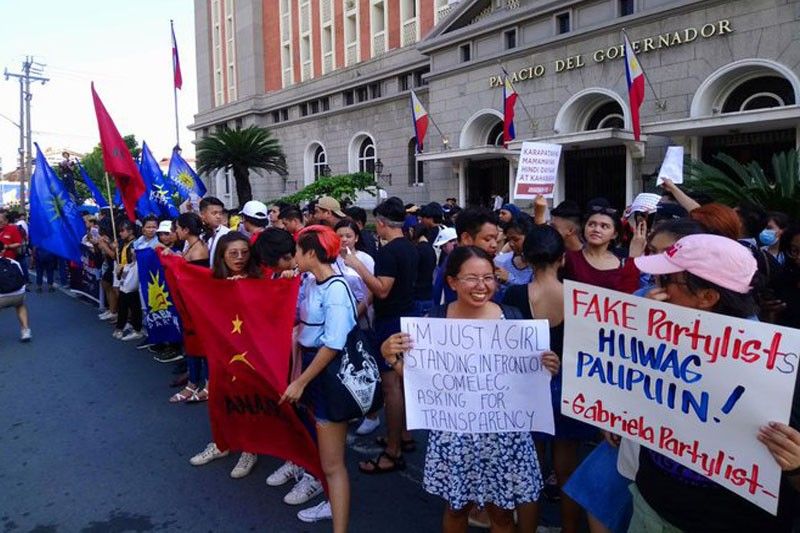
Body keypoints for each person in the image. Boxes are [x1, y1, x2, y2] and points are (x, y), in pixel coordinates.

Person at [380, 246, 560, 533]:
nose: (481, 286)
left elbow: (527, 379)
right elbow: (423, 379)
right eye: (471, 278)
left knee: (501, 515)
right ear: (452, 282)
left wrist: (548, 367)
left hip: (505, 435)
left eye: (488, 277)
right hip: (455, 435)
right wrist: (390, 357)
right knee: (456, 509)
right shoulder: (434, 322)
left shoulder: (512, 318)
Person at [628, 234, 800, 532]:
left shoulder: (782, 369)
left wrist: (796, 464)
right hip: (651, 507)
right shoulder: (657, 333)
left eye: (666, 281)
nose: (655, 288)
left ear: (707, 298)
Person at [502, 225, 596, 533]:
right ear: (563, 259)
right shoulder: (579, 297)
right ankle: (570, 528)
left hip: (527, 388)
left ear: (526, 259)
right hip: (568, 389)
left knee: (526, 469)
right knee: (567, 469)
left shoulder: (515, 294)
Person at [282, 225, 357, 531]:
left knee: (332, 464)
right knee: (327, 459)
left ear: (311, 253)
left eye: (298, 251)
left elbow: (333, 344)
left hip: (327, 373)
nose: (293, 258)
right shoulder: (313, 280)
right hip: (314, 368)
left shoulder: (336, 289)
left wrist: (300, 381)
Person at [344, 197, 419, 474]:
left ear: (384, 223)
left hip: (391, 321)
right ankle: (402, 436)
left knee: (392, 387)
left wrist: (356, 265)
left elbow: (382, 289)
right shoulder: (410, 247)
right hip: (405, 316)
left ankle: (393, 450)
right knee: (401, 383)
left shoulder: (389, 252)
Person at [190, 232, 261, 479]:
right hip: (220, 350)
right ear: (221, 255)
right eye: (233, 253)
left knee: (247, 399)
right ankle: (221, 443)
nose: (240, 257)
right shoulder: (213, 281)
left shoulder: (258, 279)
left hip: (249, 353)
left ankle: (250, 449)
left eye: (244, 252)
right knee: (219, 397)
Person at [170, 213, 211, 404]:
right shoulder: (191, 246)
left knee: (201, 346)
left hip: (198, 306)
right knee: (192, 345)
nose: (175, 231)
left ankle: (207, 384)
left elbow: (196, 281)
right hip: (190, 306)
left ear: (186, 230)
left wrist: (176, 262)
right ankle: (193, 383)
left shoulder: (199, 250)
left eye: (177, 228)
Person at [563, 200, 640, 294]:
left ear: (614, 234)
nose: (596, 229)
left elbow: (630, 298)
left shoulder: (623, 263)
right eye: (591, 224)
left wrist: (634, 256)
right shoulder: (568, 259)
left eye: (604, 226)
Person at [432, 207, 500, 305]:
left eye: (496, 239)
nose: (494, 245)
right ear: (466, 238)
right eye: (487, 239)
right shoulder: (453, 268)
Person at [113, 220, 145, 341]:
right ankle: (122, 325)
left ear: (130, 231)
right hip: (124, 276)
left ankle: (136, 328)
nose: (120, 233)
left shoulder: (135, 244)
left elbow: (133, 261)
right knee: (123, 303)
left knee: (133, 304)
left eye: (122, 231)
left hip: (132, 277)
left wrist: (123, 266)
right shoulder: (124, 243)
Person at [0, 241, 31, 342]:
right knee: (20, 305)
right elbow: (22, 278)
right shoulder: (13, 262)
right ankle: (25, 330)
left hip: (1, 298)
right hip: (18, 294)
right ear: (3, 250)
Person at [494, 216, 533, 289]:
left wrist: (509, 279)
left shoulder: (539, 266)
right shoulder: (501, 261)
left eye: (516, 240)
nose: (511, 244)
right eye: (509, 240)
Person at [199, 196, 230, 261]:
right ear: (202, 215)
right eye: (214, 213)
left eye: (220, 213)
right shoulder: (196, 233)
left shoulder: (228, 234)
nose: (218, 216)